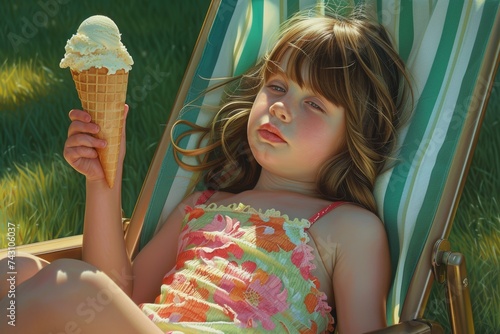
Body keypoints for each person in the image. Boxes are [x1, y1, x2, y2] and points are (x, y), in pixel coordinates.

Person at [0, 6, 412, 334]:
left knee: (74, 286)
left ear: (354, 134)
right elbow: (116, 293)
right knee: (16, 271)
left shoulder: (349, 228)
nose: (282, 106)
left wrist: (81, 290)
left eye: (316, 104)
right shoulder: (204, 204)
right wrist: (101, 177)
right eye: (277, 86)